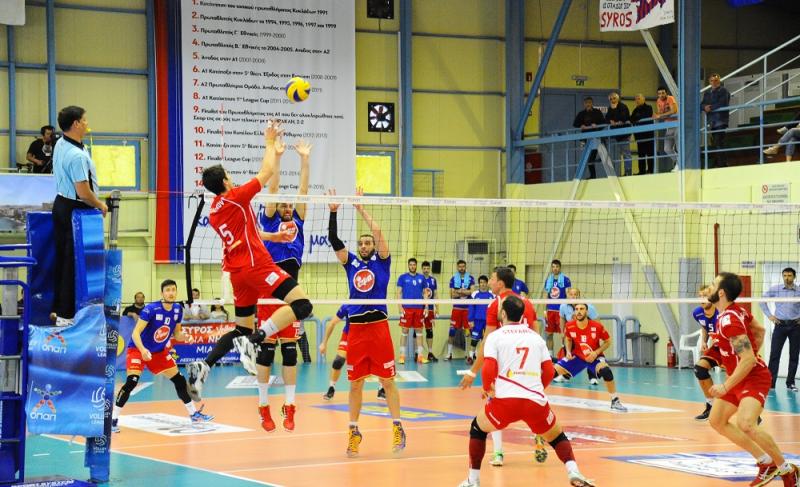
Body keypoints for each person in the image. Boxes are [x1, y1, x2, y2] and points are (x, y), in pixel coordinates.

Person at [186, 121, 313, 403]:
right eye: (229, 176)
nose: (232, 179)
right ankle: (256, 339)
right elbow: (266, 173)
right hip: (257, 267)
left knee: (240, 328)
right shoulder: (235, 198)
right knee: (303, 305)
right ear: (225, 182)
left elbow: (249, 231)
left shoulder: (216, 211)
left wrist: (273, 236)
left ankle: (205, 365)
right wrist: (269, 142)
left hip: (237, 273)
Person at [456, 296, 595, 487]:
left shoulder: (495, 336)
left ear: (503, 313)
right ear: (522, 315)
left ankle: (473, 480)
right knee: (556, 436)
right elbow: (549, 371)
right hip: (535, 402)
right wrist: (535, 389)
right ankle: (573, 471)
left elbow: (488, 368)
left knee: (478, 429)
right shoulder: (536, 338)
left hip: (505, 402)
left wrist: (488, 389)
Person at [327, 187, 405, 457]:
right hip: (357, 330)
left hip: (379, 327)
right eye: (360, 243)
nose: (363, 246)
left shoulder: (382, 263)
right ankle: (353, 432)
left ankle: (397, 426)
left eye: (367, 243)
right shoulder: (350, 263)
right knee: (356, 384)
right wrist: (333, 212)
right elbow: (333, 239)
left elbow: (379, 233)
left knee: (387, 381)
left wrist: (361, 209)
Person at [707, 272, 798, 486]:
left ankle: (787, 470)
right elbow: (760, 330)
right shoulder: (735, 311)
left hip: (753, 377)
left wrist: (725, 386)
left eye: (713, 284)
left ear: (721, 292)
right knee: (717, 421)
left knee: (746, 423)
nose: (709, 287)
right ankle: (766, 462)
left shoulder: (729, 320)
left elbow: (747, 360)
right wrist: (742, 354)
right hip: (738, 376)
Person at [252, 137, 312, 432]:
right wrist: (276, 157)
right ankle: (263, 406)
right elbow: (273, 188)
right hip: (269, 288)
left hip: (292, 292)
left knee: (290, 351)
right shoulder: (270, 219)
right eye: (284, 205)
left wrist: (304, 160)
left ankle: (290, 406)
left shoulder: (298, 221)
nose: (288, 207)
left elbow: (303, 191)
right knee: (266, 351)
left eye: (290, 205)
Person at [459, 266, 539, 467]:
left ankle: (498, 453)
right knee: (531, 403)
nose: (489, 282)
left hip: (504, 366)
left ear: (500, 284)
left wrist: (473, 372)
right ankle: (539, 434)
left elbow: (487, 342)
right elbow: (537, 336)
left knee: (493, 407)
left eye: (492, 278)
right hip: (527, 364)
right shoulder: (527, 303)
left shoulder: (496, 305)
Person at [111, 280, 213, 433]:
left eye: (173, 290)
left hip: (158, 352)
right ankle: (113, 420)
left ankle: (194, 415)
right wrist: (143, 350)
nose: (171, 293)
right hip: (138, 349)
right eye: (168, 290)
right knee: (132, 382)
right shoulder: (151, 309)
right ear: (162, 293)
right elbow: (135, 333)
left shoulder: (178, 309)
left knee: (179, 380)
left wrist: (186, 337)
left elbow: (177, 334)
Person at [51, 106, 108, 326]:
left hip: (62, 204)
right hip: (74, 209)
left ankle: (58, 309)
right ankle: (65, 316)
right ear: (75, 124)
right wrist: (100, 205)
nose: (87, 123)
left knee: (63, 260)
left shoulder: (61, 143)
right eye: (84, 120)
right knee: (70, 263)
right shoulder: (76, 156)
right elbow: (83, 192)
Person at [554, 304, 628, 412]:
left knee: (606, 371)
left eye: (582, 309)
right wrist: (568, 352)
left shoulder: (597, 326)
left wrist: (596, 353)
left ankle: (615, 401)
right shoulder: (569, 326)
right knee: (551, 371)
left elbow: (608, 341)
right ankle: (535, 397)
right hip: (577, 357)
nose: (579, 311)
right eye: (576, 309)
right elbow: (568, 339)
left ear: (587, 312)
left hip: (594, 357)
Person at [759, 267, 800, 392]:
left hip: (795, 326)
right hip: (780, 325)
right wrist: (769, 316)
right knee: (774, 355)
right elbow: (762, 300)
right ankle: (770, 384)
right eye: (785, 275)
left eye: (789, 275)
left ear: (794, 277)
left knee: (794, 355)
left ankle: (790, 383)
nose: (787, 278)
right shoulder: (776, 289)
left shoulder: (799, 290)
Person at [557, 287, 600, 386]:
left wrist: (594, 335)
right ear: (567, 295)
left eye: (575, 294)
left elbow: (597, 321)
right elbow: (562, 318)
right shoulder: (563, 306)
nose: (573, 296)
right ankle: (565, 375)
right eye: (571, 294)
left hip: (586, 333)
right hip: (573, 333)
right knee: (569, 353)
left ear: (579, 296)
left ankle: (592, 377)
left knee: (589, 354)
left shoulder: (588, 307)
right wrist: (562, 332)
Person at [691, 285, 720, 420]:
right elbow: (704, 326)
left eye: (705, 296)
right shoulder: (697, 312)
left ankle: (751, 411)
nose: (702, 299)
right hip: (716, 348)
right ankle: (711, 406)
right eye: (700, 296)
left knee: (736, 378)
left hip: (730, 348)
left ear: (712, 297)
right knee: (699, 369)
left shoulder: (721, 312)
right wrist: (704, 341)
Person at [397, 257, 428, 364]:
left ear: (416, 266)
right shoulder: (402, 277)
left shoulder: (422, 278)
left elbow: (425, 293)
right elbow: (399, 293)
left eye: (414, 265)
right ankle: (402, 356)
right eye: (410, 265)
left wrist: (426, 307)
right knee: (404, 331)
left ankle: (420, 356)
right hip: (407, 308)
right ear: (408, 266)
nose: (412, 266)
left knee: (419, 332)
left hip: (419, 308)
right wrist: (400, 307)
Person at [447, 260, 475, 361]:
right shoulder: (453, 279)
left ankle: (470, 354)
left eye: (463, 266)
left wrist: (459, 291)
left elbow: (472, 293)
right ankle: (449, 354)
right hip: (457, 309)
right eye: (460, 266)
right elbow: (452, 295)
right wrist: (465, 292)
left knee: (470, 331)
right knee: (452, 331)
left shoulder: (471, 278)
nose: (461, 268)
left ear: (465, 267)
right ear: (457, 267)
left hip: (468, 309)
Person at [701, 73, 731, 168]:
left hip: (720, 120)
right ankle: (721, 163)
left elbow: (723, 103)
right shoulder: (707, 93)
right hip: (712, 121)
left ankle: (722, 164)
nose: (714, 82)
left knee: (719, 141)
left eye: (716, 80)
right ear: (709, 82)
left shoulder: (723, 91)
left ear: (719, 81)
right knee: (716, 142)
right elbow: (701, 104)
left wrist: (710, 107)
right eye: (712, 81)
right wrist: (704, 107)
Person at [572, 97, 605, 179]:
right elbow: (575, 124)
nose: (588, 104)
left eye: (589, 102)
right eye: (586, 102)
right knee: (587, 158)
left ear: (592, 103)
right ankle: (592, 175)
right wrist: (581, 125)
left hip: (595, 137)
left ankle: (594, 175)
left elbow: (603, 123)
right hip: (585, 138)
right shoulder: (581, 114)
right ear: (584, 104)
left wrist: (597, 126)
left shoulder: (597, 112)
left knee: (592, 157)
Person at [544, 259, 571, 354]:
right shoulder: (548, 280)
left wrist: (568, 310)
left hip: (561, 311)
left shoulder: (566, 280)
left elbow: (568, 295)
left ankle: (564, 355)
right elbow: (546, 296)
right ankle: (550, 356)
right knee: (548, 335)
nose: (555, 268)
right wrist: (545, 310)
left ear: (560, 267)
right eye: (553, 267)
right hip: (550, 311)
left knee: (564, 335)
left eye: (557, 267)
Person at [466, 276, 494, 365]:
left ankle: (486, 358)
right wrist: (470, 320)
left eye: (484, 282)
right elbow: (471, 307)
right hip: (477, 320)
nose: (483, 284)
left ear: (487, 283)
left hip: (489, 321)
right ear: (479, 284)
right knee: (474, 339)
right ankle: (470, 357)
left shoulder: (492, 294)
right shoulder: (474, 294)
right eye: (481, 282)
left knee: (488, 340)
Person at [605, 92, 633, 176]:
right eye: (611, 99)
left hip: (624, 134)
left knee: (626, 153)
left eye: (614, 98)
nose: (612, 100)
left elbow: (624, 117)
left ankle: (628, 172)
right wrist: (611, 121)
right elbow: (606, 118)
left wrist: (615, 121)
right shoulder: (610, 108)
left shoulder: (622, 106)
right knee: (618, 153)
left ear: (618, 98)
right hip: (616, 134)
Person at [654, 86, 679, 171]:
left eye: (663, 93)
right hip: (669, 126)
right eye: (659, 94)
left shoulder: (670, 98)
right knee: (667, 148)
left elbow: (674, 110)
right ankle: (679, 162)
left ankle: (679, 164)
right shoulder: (658, 101)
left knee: (679, 147)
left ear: (666, 93)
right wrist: (656, 115)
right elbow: (659, 113)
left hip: (677, 124)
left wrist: (660, 115)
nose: (661, 95)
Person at [631, 94, 655, 174]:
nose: (637, 100)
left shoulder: (649, 107)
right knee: (641, 154)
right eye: (636, 99)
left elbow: (645, 116)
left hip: (648, 135)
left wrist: (637, 119)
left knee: (650, 154)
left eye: (638, 98)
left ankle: (650, 171)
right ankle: (641, 171)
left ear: (644, 99)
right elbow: (631, 119)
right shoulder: (635, 110)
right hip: (639, 136)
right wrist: (636, 119)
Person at [420, 260, 439, 362]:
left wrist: (437, 308)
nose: (426, 270)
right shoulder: (419, 278)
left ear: (430, 269)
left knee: (429, 331)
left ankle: (430, 353)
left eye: (427, 268)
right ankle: (418, 353)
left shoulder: (433, 280)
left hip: (430, 309)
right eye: (424, 268)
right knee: (417, 330)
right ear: (422, 269)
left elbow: (435, 294)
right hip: (420, 308)